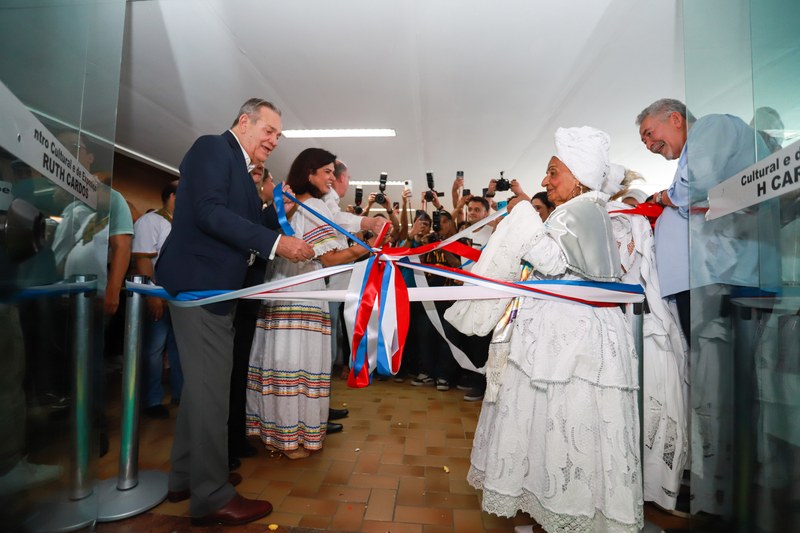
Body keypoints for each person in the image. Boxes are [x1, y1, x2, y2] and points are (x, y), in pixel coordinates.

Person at [447, 126, 642, 531]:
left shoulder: (581, 208)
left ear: (579, 175)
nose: (545, 181)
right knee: (560, 419)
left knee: (559, 415)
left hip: (569, 338)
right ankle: (555, 505)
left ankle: (558, 506)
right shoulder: (589, 208)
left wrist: (521, 216)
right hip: (576, 328)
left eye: (553, 172)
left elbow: (552, 263)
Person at [156, 98, 314, 526]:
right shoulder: (212, 148)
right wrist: (279, 244)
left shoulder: (244, 174)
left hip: (217, 289)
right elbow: (209, 214)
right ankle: (210, 495)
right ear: (244, 122)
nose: (274, 141)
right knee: (210, 395)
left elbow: (240, 224)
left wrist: (277, 213)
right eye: (269, 131)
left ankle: (186, 476)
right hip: (199, 286)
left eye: (278, 135)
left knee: (200, 391)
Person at [637, 98, 770, 517]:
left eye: (649, 134)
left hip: (715, 280)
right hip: (703, 283)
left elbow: (698, 183)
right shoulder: (696, 149)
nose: (648, 145)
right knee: (711, 388)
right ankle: (722, 479)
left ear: (674, 119)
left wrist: (664, 196)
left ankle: (716, 493)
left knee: (714, 390)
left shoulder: (713, 126)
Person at [246, 148, 376, 459]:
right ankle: (294, 438)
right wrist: (365, 249)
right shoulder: (313, 204)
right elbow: (329, 257)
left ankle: (274, 432)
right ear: (310, 173)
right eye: (328, 171)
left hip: (280, 285)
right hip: (305, 290)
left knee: (278, 358)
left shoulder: (290, 203)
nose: (332, 177)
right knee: (299, 360)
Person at [227, 163, 272, 466]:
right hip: (233, 296)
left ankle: (236, 438)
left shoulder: (258, 207)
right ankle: (226, 445)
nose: (256, 180)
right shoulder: (239, 206)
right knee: (227, 373)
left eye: (259, 175)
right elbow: (258, 236)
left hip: (248, 297)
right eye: (255, 174)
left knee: (239, 369)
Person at [132, 180, 182, 419]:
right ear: (172, 196)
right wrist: (153, 295)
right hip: (158, 295)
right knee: (153, 349)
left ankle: (180, 394)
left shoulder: (183, 223)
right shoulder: (150, 221)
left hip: (181, 297)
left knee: (179, 348)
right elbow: (143, 260)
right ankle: (151, 400)